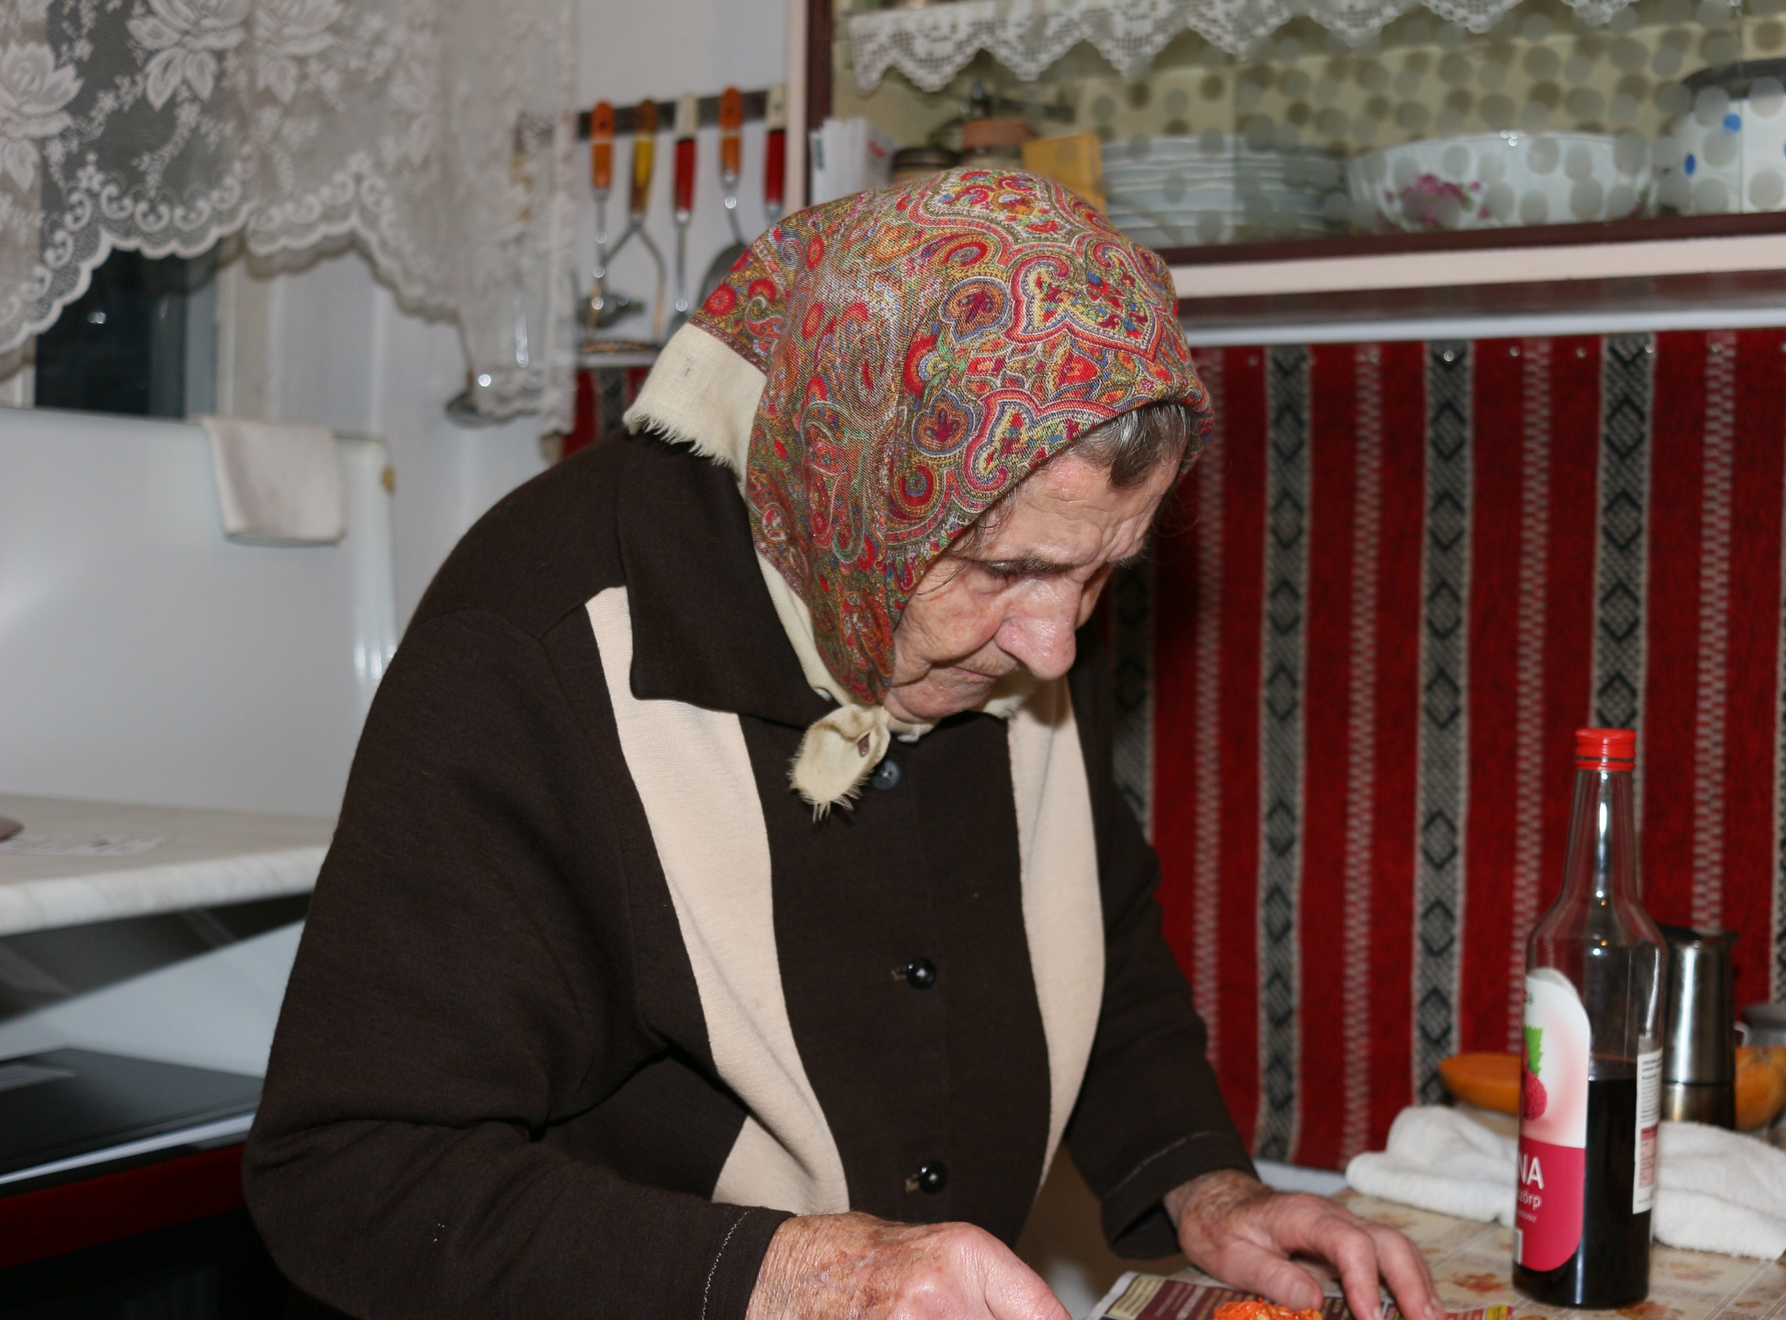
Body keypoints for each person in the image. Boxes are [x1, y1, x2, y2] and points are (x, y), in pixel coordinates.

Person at [245, 170, 1438, 1320]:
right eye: (1009, 569)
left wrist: (1205, 1184)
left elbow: (1089, 924)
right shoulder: (535, 644)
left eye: (1102, 571)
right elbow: (346, 1172)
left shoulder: (1008, 598)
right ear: (854, 485)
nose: (1054, 645)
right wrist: (787, 1280)